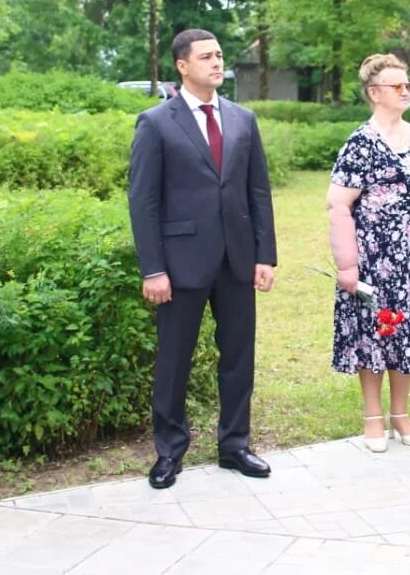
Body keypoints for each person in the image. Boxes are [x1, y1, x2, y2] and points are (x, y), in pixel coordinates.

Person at [127, 28, 277, 489]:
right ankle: (169, 452)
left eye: (219, 56)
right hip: (180, 264)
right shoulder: (155, 122)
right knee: (174, 360)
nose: (217, 63)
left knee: (238, 357)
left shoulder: (242, 119)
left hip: (237, 261)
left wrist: (264, 255)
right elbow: (143, 200)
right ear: (182, 66)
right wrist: (153, 268)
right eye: (207, 57)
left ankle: (235, 446)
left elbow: (257, 191)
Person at [326, 54, 410, 452]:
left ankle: (401, 415)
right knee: (374, 333)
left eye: (407, 84)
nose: (405, 90)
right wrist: (347, 264)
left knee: (408, 333)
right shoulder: (360, 143)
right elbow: (338, 204)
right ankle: (372, 418)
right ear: (374, 93)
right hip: (374, 257)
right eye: (397, 86)